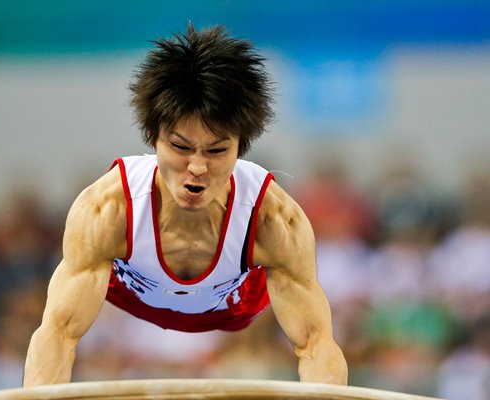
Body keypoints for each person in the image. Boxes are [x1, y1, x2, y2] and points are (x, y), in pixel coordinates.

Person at [24, 24, 347, 386]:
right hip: (131, 299)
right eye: (180, 147)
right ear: (152, 137)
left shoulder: (272, 219)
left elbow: (316, 344)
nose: (196, 167)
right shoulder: (108, 209)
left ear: (241, 148)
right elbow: (58, 332)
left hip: (235, 307)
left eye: (216, 150)